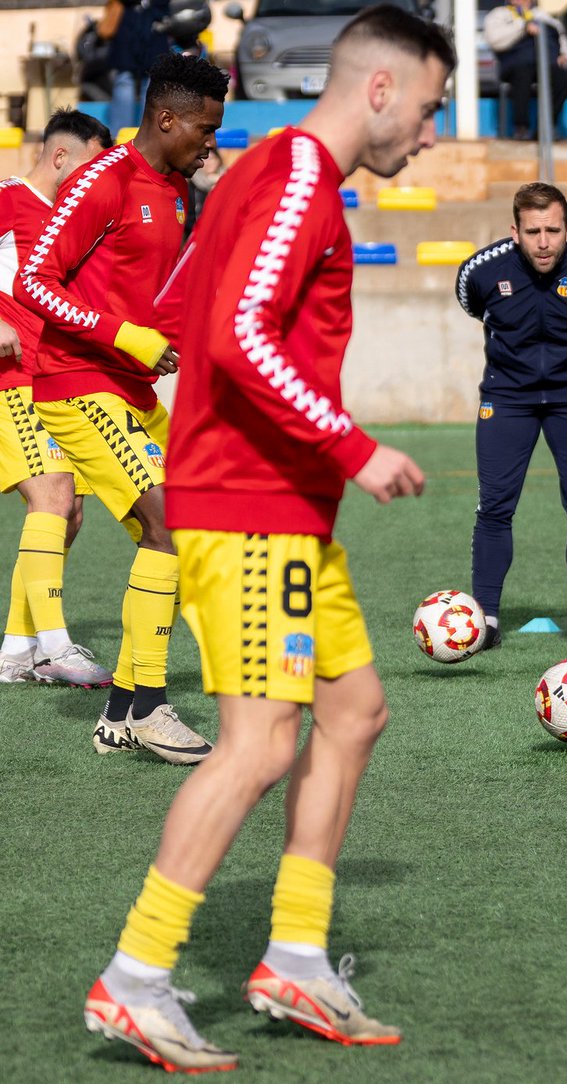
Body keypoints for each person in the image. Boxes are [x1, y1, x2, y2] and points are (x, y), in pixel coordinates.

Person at [81, 5, 455, 1075]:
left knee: (355, 712)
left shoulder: (269, 173)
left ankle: (294, 957)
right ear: (380, 90)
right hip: (248, 506)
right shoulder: (297, 176)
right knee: (258, 745)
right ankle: (134, 979)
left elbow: (185, 301)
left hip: (276, 506)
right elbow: (240, 331)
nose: (430, 133)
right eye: (429, 108)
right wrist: (351, 445)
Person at [14, 53, 227, 763]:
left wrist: (170, 340)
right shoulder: (101, 182)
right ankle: (150, 708)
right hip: (77, 384)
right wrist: (123, 335)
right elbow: (36, 282)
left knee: (185, 532)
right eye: (203, 129)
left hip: (131, 388)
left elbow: (149, 291)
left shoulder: (177, 189)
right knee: (170, 523)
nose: (210, 144)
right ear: (165, 119)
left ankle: (120, 711)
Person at [455, 181, 567, 652]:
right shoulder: (480, 272)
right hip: (507, 397)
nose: (544, 242)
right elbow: (472, 304)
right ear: (515, 232)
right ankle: (486, 620)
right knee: (494, 507)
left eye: (553, 230)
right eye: (533, 232)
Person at [0, 111, 114, 688]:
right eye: (91, 166)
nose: (96, 181)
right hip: (10, 378)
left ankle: (17, 650)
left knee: (68, 514)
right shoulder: (8, 197)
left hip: (55, 380)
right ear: (61, 156)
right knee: (53, 493)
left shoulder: (70, 219)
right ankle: (54, 647)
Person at [483, 0, 567, 141]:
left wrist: (565, 55)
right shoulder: (499, 15)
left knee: (564, 78)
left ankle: (545, 126)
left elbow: (562, 40)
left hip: (545, 63)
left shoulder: (545, 16)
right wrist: (523, 27)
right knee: (522, 73)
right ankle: (521, 127)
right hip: (515, 64)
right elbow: (495, 41)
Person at [105, 0, 172, 132]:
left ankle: (121, 136)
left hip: (138, 21)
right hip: (148, 21)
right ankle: (147, 134)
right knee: (147, 82)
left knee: (131, 81)